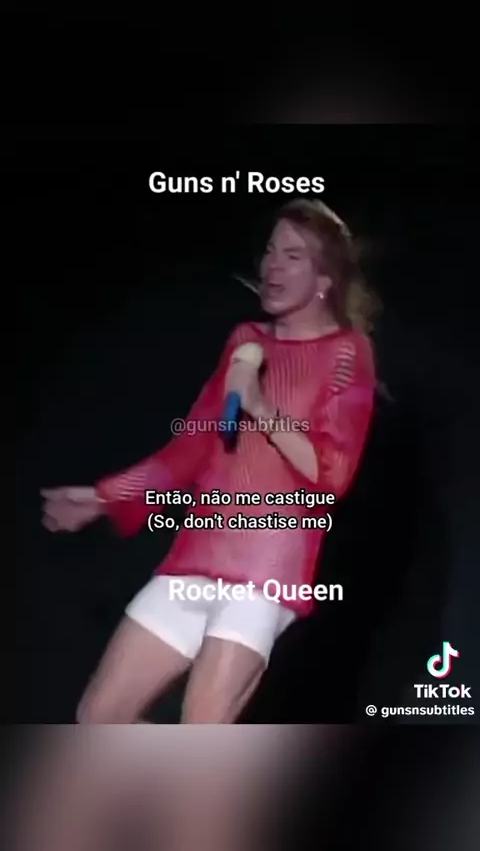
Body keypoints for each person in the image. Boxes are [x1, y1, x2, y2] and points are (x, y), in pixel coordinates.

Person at [42, 198, 378, 723]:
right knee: (98, 718)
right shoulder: (245, 341)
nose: (272, 266)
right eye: (270, 251)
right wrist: (105, 497)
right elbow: (191, 449)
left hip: (267, 569)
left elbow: (332, 473)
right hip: (198, 555)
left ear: (324, 280)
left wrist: (260, 406)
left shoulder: (346, 352)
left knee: (200, 729)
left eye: (292, 256)